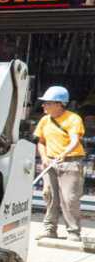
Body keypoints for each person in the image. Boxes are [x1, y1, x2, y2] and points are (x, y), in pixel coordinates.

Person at [35, 86, 85, 242]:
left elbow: (75, 140)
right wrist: (44, 157)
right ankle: (50, 229)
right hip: (50, 162)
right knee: (50, 196)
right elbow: (41, 142)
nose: (43, 106)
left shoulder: (73, 119)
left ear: (59, 104)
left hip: (70, 163)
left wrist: (64, 153)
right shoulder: (44, 120)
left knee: (69, 198)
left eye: (47, 103)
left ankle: (73, 232)